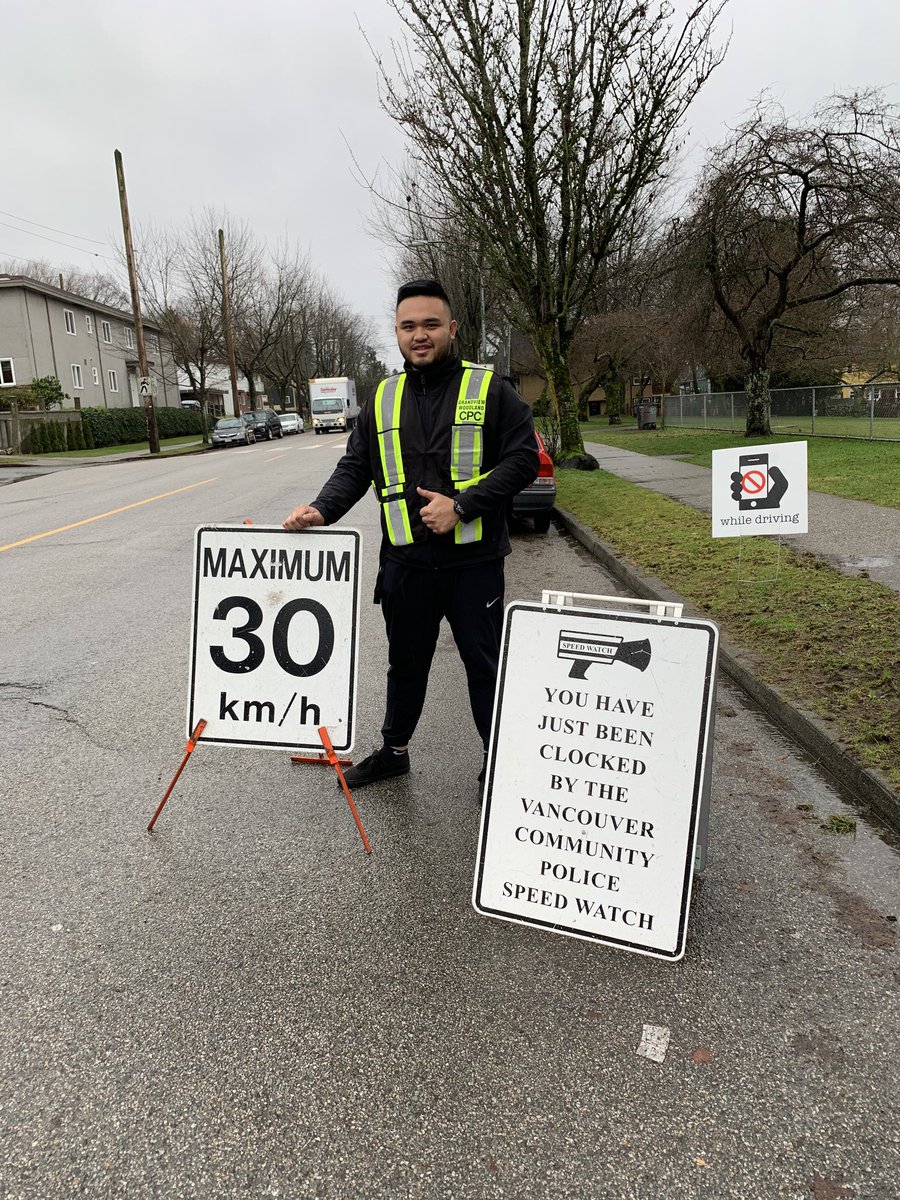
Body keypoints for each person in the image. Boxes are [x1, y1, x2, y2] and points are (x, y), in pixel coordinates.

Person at [283, 279, 539, 789]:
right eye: (408, 326)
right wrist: (320, 509)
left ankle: (498, 758)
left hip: (474, 564)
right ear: (397, 332)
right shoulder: (381, 397)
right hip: (406, 566)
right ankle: (394, 751)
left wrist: (463, 506)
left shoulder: (489, 389)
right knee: (404, 664)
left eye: (430, 324)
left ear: (452, 328)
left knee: (483, 664)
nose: (419, 335)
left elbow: (524, 459)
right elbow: (356, 467)